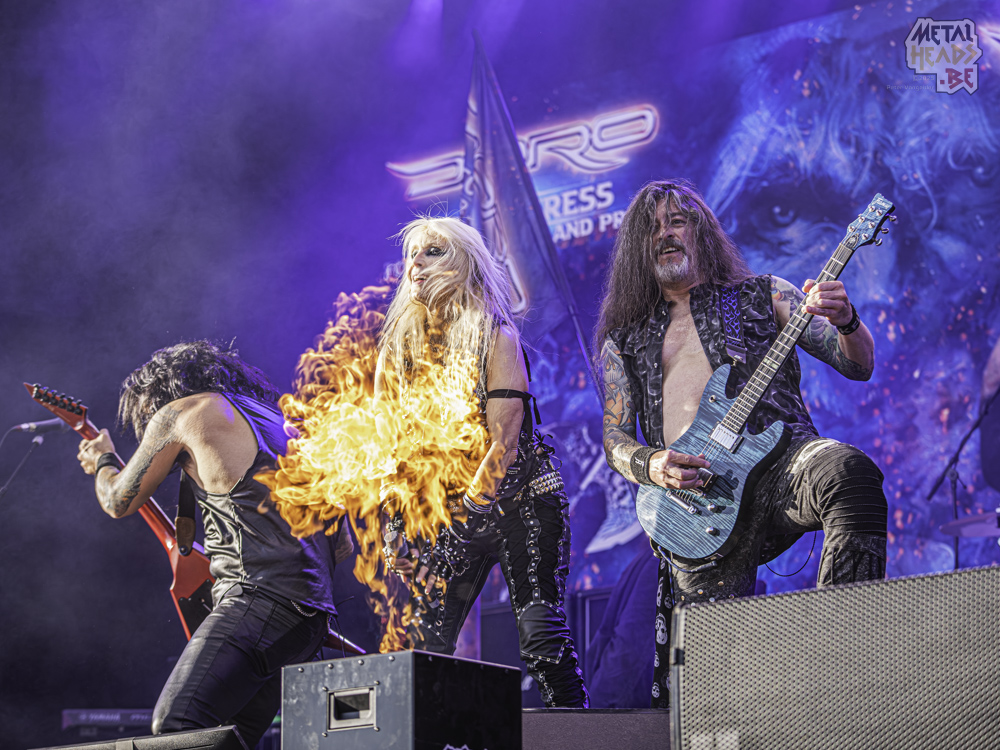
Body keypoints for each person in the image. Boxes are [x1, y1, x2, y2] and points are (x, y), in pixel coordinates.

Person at [596, 180, 888, 707]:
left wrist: (847, 319)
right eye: (652, 228)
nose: (665, 234)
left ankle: (842, 654)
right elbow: (614, 436)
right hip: (697, 501)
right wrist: (652, 463)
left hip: (782, 466)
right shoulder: (625, 339)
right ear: (638, 247)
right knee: (711, 691)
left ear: (701, 231)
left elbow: (858, 364)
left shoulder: (765, 294)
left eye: (677, 221)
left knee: (848, 474)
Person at [76, 341, 348, 748]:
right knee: (224, 739)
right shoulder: (284, 424)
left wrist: (103, 460)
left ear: (157, 395)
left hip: (257, 600)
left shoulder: (180, 412)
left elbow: (118, 500)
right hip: (309, 624)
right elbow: (342, 546)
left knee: (176, 727)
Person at [376, 216, 589, 708]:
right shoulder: (396, 353)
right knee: (424, 645)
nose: (417, 264)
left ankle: (578, 733)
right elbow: (388, 451)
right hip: (450, 514)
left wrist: (460, 524)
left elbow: (504, 445)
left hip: (522, 506)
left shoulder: (496, 337)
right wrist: (395, 528)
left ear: (465, 265)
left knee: (541, 637)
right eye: (412, 255)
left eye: (433, 252)